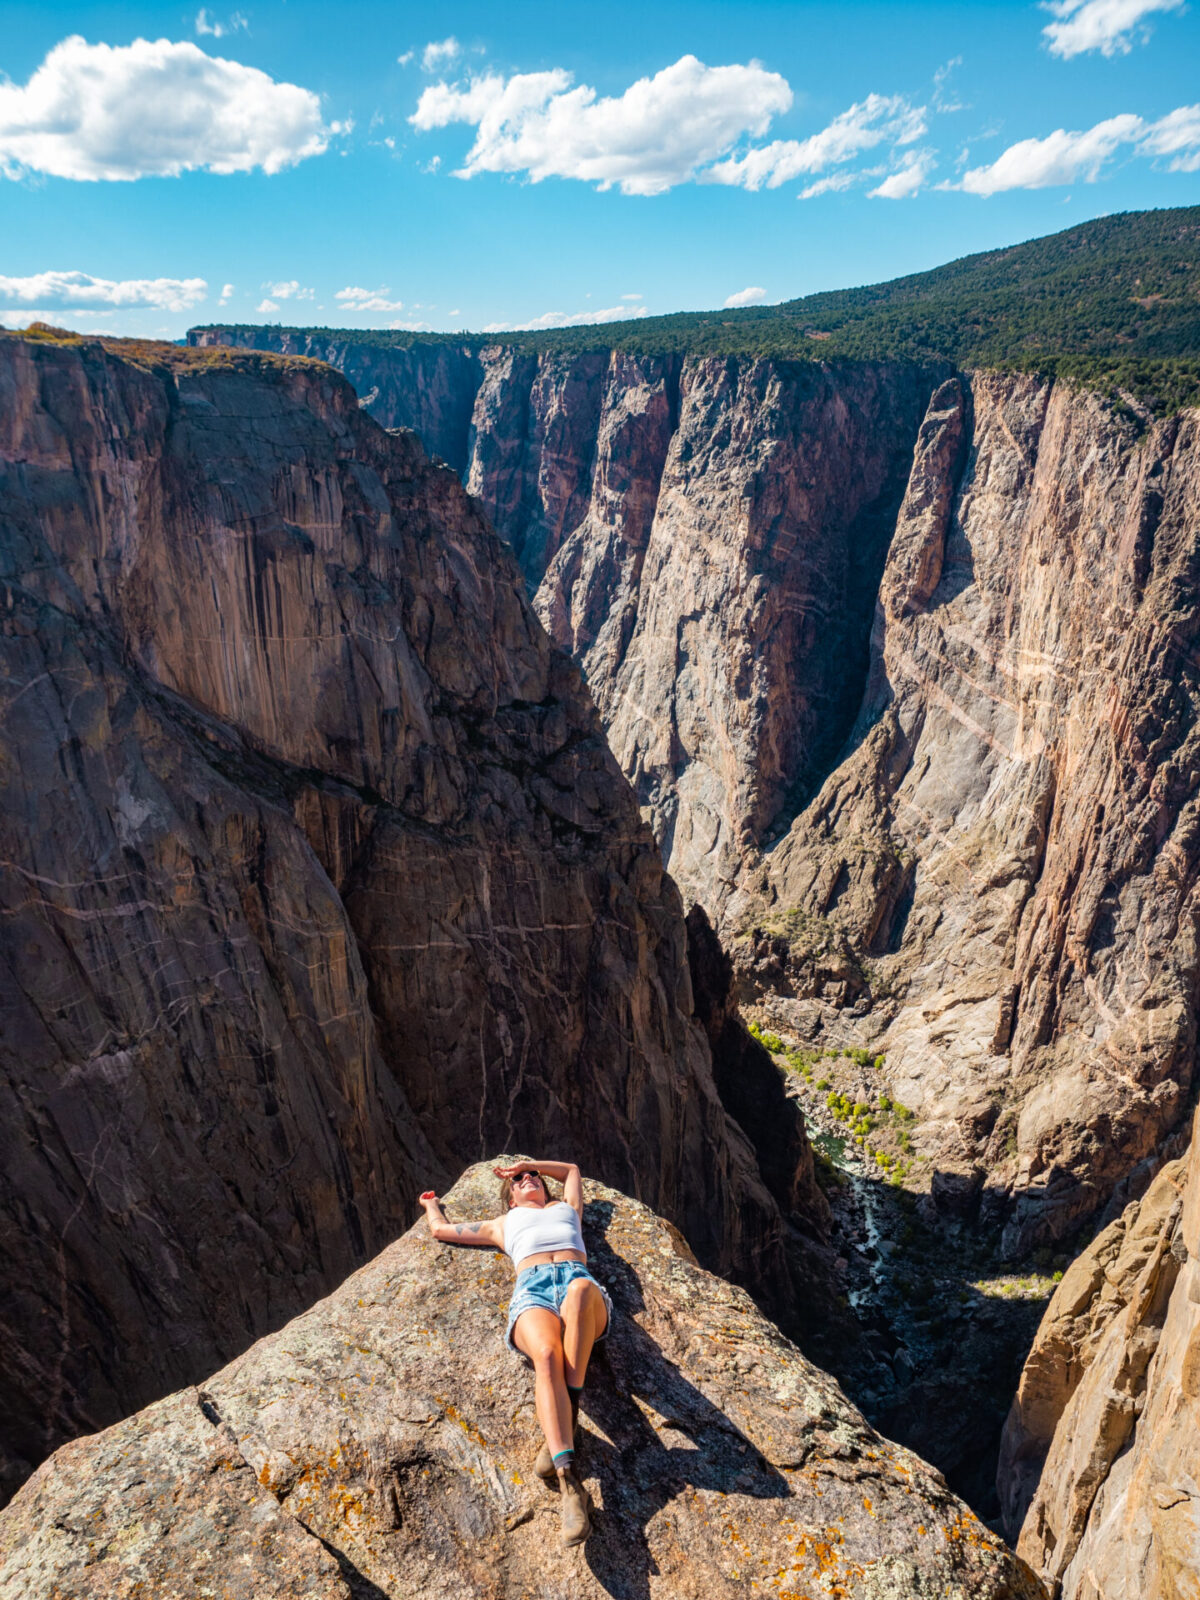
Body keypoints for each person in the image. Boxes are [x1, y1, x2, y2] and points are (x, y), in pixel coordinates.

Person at [418, 1159, 611, 1547]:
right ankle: (569, 1484)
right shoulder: (501, 1225)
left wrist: (530, 1163)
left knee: (579, 1294)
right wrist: (430, 1205)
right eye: (521, 1180)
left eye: (534, 1178)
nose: (528, 1179)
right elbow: (440, 1231)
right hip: (533, 1291)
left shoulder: (566, 1210)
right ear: (509, 1201)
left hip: (579, 1283)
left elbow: (573, 1171)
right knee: (545, 1355)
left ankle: (566, 1417)